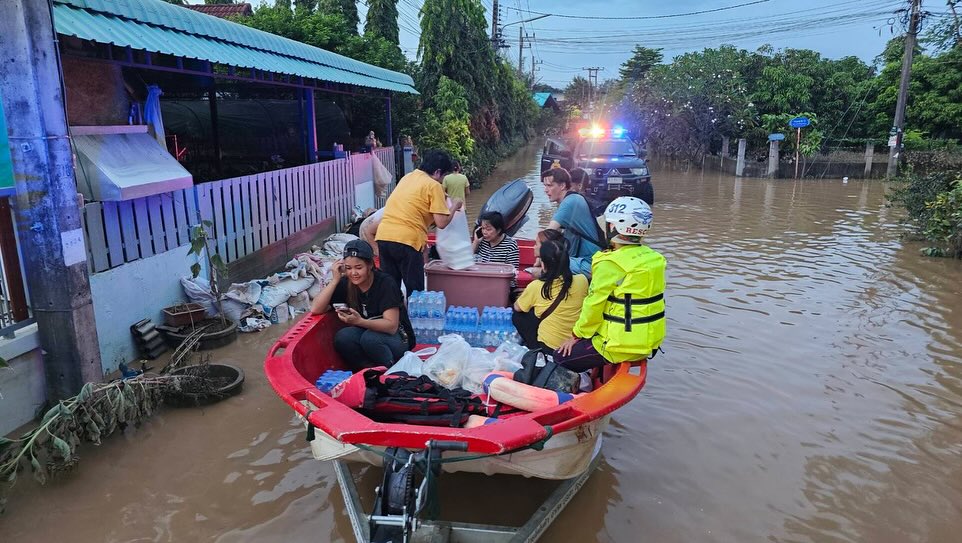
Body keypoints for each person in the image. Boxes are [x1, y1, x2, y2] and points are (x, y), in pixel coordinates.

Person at [554, 197, 666, 372]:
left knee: (560, 357)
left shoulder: (610, 263)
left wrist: (576, 335)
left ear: (613, 227)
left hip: (619, 345)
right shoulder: (654, 259)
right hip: (648, 342)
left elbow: (594, 305)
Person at [310, 240, 415, 370]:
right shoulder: (346, 283)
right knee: (343, 337)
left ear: (370, 265)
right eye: (348, 268)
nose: (353, 273)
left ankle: (390, 371)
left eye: (358, 268)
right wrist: (335, 280)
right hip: (369, 332)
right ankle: (367, 371)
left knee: (370, 338)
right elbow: (315, 309)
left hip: (398, 338)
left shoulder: (385, 283)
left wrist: (359, 321)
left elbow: (391, 326)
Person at [376, 150, 462, 293]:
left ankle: (393, 315)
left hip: (384, 237)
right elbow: (441, 223)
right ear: (438, 172)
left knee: (390, 289)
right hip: (408, 241)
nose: (442, 181)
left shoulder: (408, 177)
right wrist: (455, 206)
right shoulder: (434, 186)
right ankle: (413, 316)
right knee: (415, 292)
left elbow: (415, 202)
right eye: (444, 176)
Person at [513, 238, 589, 351]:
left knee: (519, 316)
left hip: (549, 344)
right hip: (575, 342)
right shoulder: (582, 280)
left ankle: (534, 349)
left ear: (543, 265)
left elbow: (517, 307)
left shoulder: (537, 286)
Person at [542, 168, 604, 277]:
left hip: (589, 264)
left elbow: (546, 234)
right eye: (545, 186)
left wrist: (540, 257)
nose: (545, 190)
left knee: (543, 268)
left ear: (562, 186)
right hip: (590, 261)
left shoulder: (570, 202)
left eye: (549, 186)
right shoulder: (572, 199)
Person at [472, 210, 520, 286]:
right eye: (483, 228)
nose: (484, 232)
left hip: (501, 284)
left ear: (498, 230)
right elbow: (466, 261)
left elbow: (513, 272)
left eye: (488, 229)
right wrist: (475, 242)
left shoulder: (510, 245)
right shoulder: (481, 241)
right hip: (481, 281)